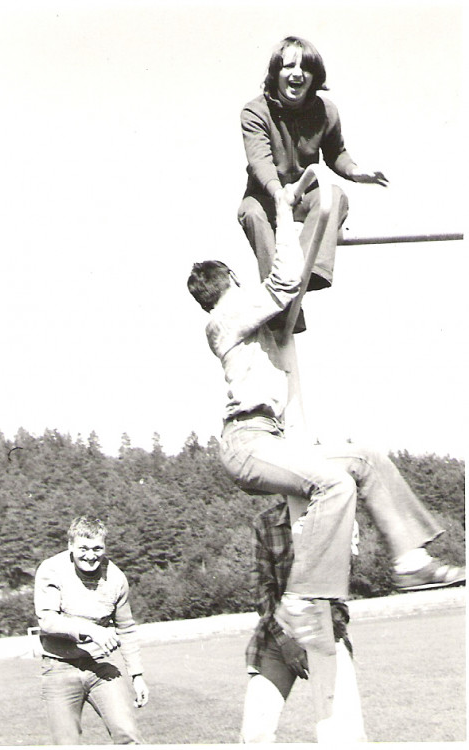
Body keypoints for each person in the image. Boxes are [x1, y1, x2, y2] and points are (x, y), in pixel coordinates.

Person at [187, 194, 465, 648]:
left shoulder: (245, 321)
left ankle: (411, 559)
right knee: (335, 485)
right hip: (248, 442)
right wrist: (281, 207)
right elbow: (282, 283)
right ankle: (300, 596)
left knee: (364, 460)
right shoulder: (226, 315)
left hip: (272, 439)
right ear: (231, 281)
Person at [238, 34, 388, 328]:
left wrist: (355, 171)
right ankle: (280, 302)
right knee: (251, 213)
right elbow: (260, 161)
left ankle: (308, 273)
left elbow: (336, 153)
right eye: (288, 66)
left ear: (314, 76)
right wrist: (277, 192)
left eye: (305, 68)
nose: (297, 74)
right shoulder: (255, 112)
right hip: (268, 196)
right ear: (275, 73)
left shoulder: (325, 110)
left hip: (304, 194)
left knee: (333, 195)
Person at [240, 499, 366, 743]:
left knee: (345, 735)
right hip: (277, 637)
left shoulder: (339, 516)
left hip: (326, 633)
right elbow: (261, 591)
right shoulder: (266, 522)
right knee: (256, 732)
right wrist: (286, 641)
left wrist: (323, 634)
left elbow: (341, 588)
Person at [34, 516, 149, 745]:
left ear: (104, 547)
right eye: (83, 548)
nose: (90, 555)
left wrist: (137, 676)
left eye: (97, 548)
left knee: (128, 736)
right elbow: (47, 619)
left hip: (101, 665)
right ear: (70, 546)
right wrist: (91, 630)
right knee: (67, 744)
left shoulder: (116, 578)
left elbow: (126, 628)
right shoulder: (51, 569)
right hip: (59, 667)